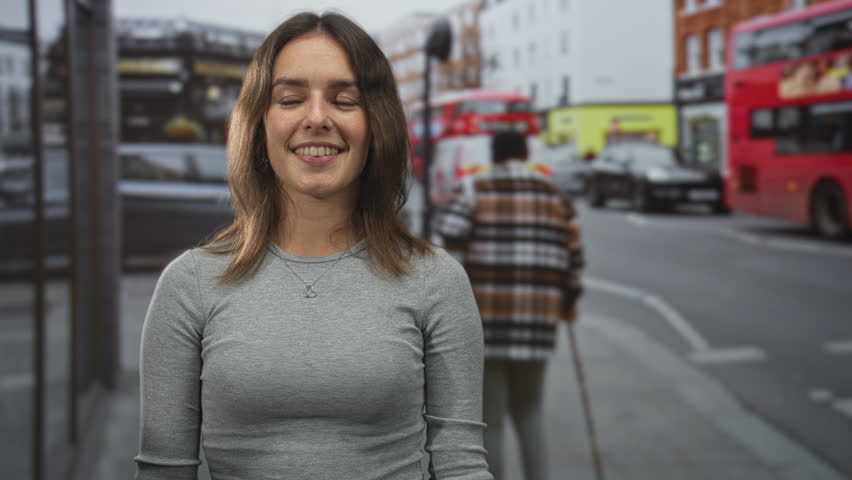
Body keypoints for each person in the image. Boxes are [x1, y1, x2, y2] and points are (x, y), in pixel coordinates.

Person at [135, 11, 492, 480]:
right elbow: (163, 471)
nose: (317, 118)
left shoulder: (435, 280)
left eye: (345, 100)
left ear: (377, 125)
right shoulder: (190, 285)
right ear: (260, 124)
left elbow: (461, 464)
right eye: (290, 99)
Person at [432, 131, 585, 480]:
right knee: (530, 411)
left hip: (484, 322)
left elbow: (444, 246)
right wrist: (569, 303)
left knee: (491, 417)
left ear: (494, 154)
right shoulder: (557, 197)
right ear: (525, 154)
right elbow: (573, 260)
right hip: (537, 322)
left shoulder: (473, 190)